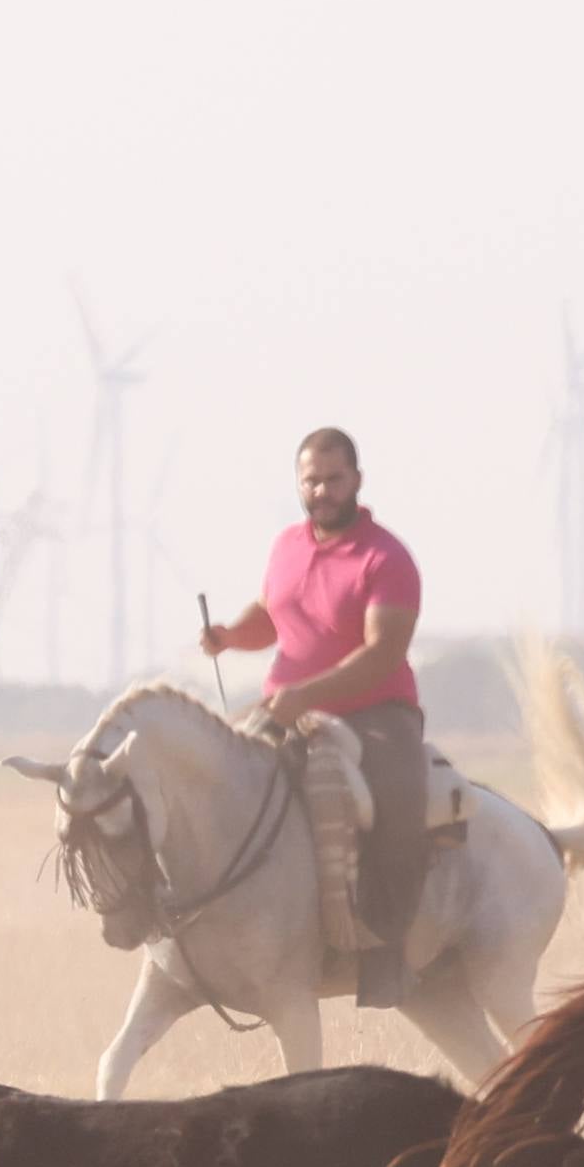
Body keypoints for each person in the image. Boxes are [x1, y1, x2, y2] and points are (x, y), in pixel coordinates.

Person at [199, 428, 427, 1007]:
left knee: (395, 799)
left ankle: (384, 949)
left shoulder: (387, 558)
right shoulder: (286, 546)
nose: (321, 490)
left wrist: (307, 694)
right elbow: (273, 616)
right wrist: (228, 635)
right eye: (311, 480)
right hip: (286, 707)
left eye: (332, 479)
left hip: (376, 711)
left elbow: (382, 654)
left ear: (356, 480)